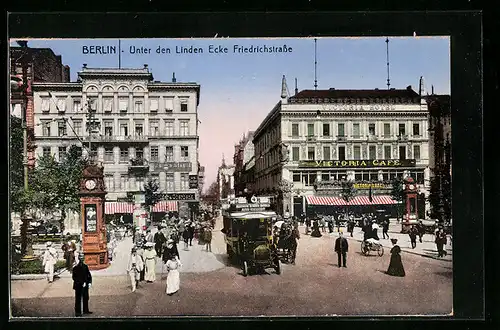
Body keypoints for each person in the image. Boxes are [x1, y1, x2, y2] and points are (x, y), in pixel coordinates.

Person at [72, 252, 92, 316]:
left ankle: (86, 310)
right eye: (80, 257)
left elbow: (89, 275)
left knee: (86, 298)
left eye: (83, 257)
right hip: (78, 286)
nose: (81, 258)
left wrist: (89, 282)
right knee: (78, 299)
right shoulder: (75, 268)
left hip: (85, 285)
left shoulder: (85, 266)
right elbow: (74, 277)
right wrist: (81, 283)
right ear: (78, 258)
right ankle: (78, 312)